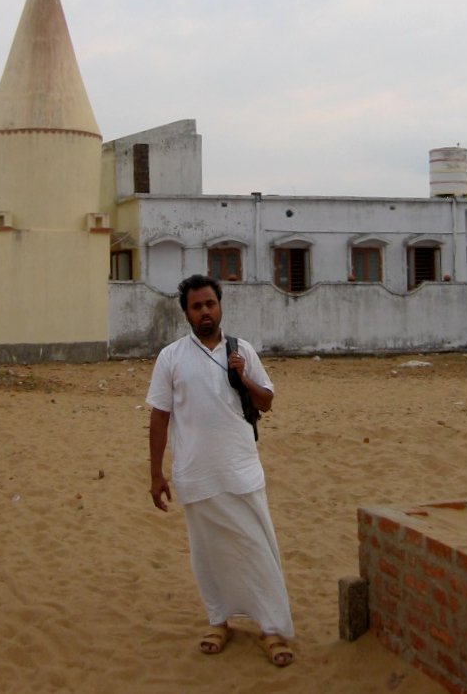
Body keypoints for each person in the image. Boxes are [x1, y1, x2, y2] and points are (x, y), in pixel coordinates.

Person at [147, 273, 294, 667]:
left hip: (241, 469)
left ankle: (271, 627)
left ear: (220, 305)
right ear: (186, 313)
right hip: (195, 474)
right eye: (196, 306)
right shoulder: (171, 357)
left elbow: (266, 403)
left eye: (210, 303)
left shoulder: (242, 349)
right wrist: (156, 474)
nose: (205, 312)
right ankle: (219, 620)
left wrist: (243, 377)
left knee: (257, 548)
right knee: (208, 554)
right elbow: (160, 417)